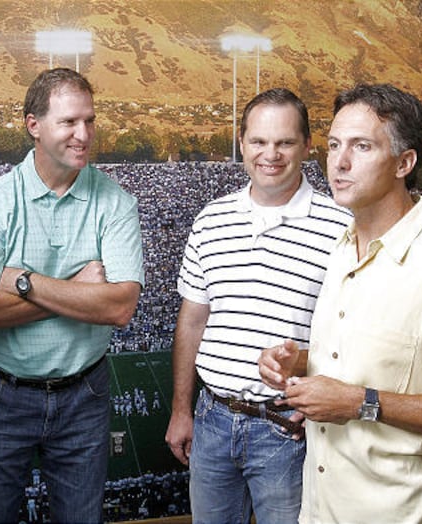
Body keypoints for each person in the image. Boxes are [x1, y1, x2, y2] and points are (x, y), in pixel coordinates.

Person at [259, 83, 422, 523]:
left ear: (404, 163)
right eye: (334, 145)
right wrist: (301, 363)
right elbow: (376, 361)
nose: (339, 162)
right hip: (322, 511)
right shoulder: (341, 250)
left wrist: (360, 403)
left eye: (362, 146)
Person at [0, 67, 144, 523]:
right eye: (69, 122)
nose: (84, 134)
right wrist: (78, 290)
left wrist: (24, 281)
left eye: (89, 121)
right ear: (33, 125)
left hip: (84, 395)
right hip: (0, 392)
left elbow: (119, 307)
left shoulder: (116, 202)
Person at [164, 88, 350, 523]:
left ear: (307, 145)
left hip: (289, 429)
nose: (271, 154)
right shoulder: (211, 220)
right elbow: (192, 323)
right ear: (242, 143)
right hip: (213, 419)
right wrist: (181, 410)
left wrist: (316, 402)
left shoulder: (342, 227)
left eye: (285, 142)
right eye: (259, 141)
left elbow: (355, 334)